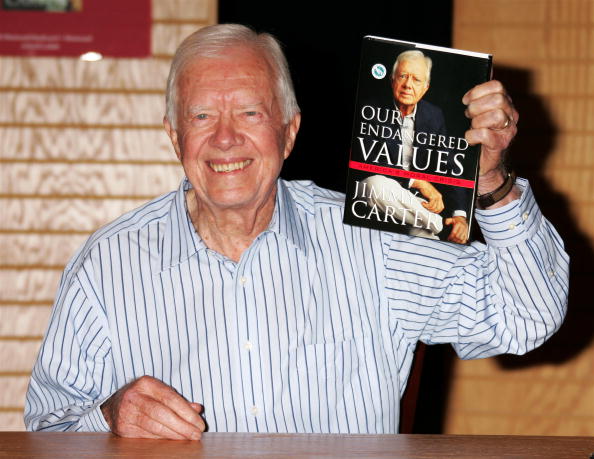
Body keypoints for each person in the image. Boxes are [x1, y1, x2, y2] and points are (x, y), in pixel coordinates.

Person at [24, 24, 569, 439]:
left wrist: (492, 181)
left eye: (250, 113)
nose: (225, 139)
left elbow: (525, 317)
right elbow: (44, 432)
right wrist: (109, 418)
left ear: (289, 132)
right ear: (173, 136)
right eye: (200, 117)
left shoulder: (370, 239)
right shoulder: (107, 264)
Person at [359, 50, 470, 243]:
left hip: (415, 206)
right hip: (387, 196)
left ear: (425, 87)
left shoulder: (434, 115)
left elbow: (452, 166)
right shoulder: (370, 110)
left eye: (416, 80)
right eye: (403, 76)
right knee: (372, 185)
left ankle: (434, 228)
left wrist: (460, 216)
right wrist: (417, 181)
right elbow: (369, 161)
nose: (408, 85)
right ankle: (440, 225)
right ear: (392, 80)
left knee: (425, 250)